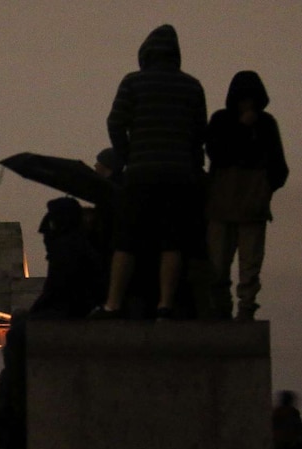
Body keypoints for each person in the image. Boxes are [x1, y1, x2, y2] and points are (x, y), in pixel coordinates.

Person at [90, 24, 207, 320]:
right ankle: (165, 305)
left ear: (145, 54)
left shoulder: (133, 83)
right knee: (172, 241)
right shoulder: (192, 86)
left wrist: (127, 156)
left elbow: (115, 122)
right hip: (179, 175)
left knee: (126, 240)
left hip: (140, 173)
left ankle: (112, 304)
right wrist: (190, 166)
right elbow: (198, 134)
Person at [204, 70, 288, 321]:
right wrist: (242, 128)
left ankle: (245, 308)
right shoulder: (221, 120)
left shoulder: (266, 124)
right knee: (217, 264)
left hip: (248, 205)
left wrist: (263, 189)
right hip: (223, 203)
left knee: (249, 266)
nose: (247, 103)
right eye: (243, 98)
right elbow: (216, 152)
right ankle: (222, 309)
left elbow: (279, 168)